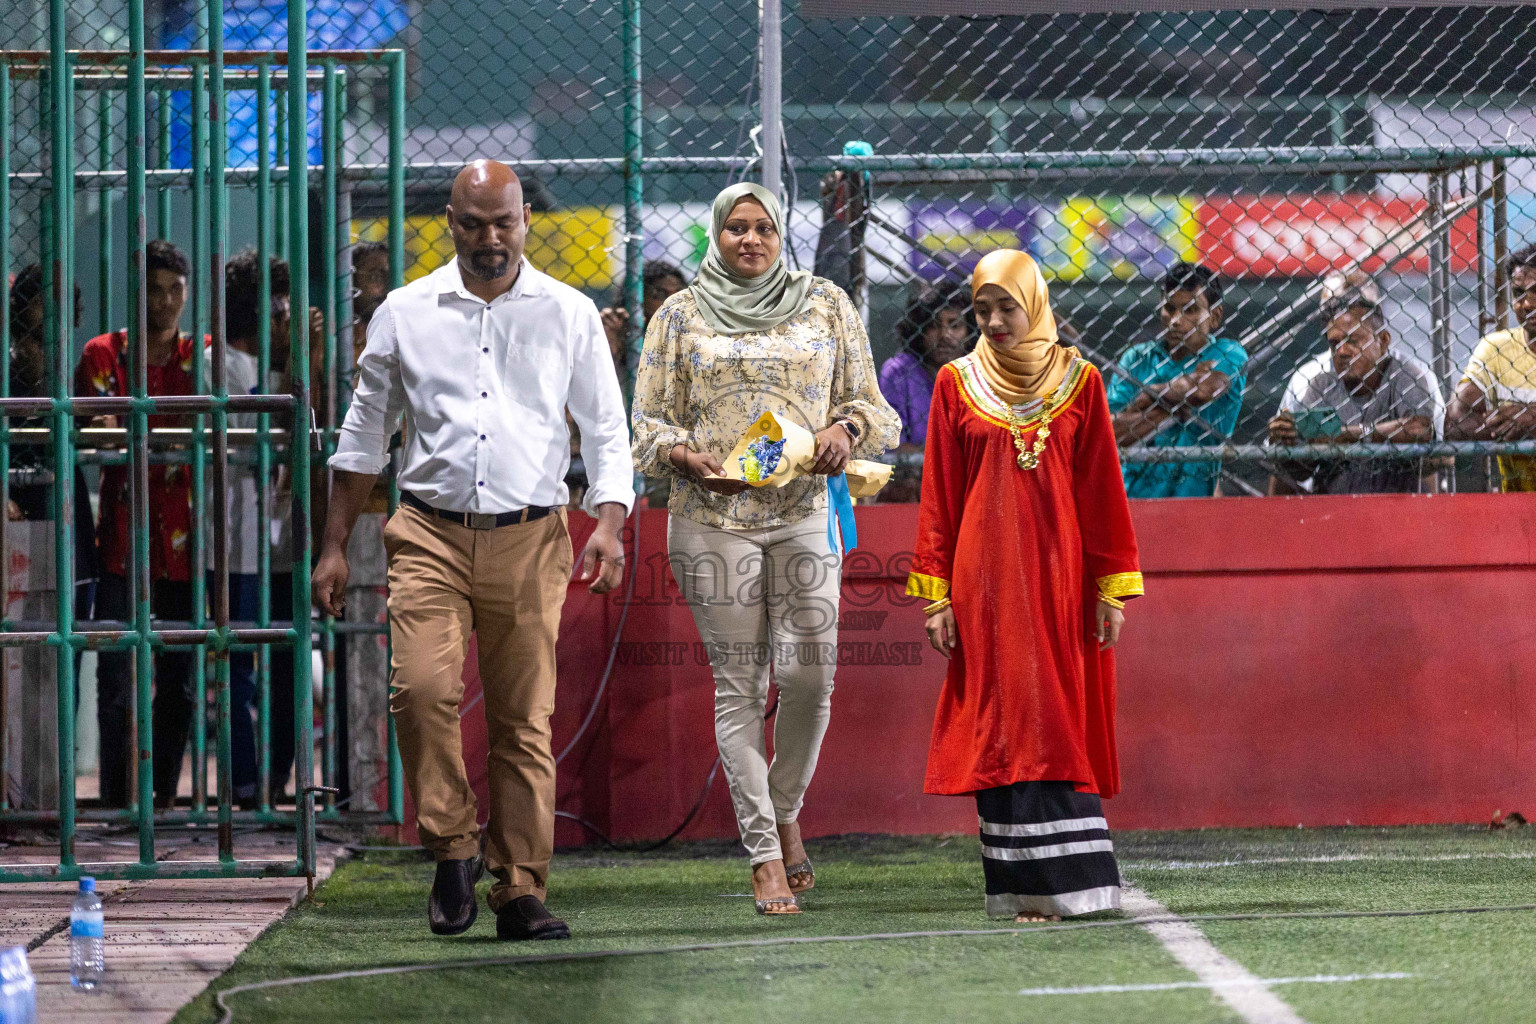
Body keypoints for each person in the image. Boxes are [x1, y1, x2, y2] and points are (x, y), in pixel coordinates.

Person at [312, 159, 631, 941]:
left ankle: (519, 889)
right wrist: (333, 547)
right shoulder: (404, 311)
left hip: (532, 536)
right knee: (421, 691)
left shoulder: (568, 312)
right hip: (426, 532)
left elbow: (607, 427)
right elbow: (364, 434)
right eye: (473, 224)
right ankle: (452, 844)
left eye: (504, 223)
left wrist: (612, 523)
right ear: (450, 224)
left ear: (525, 220)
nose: (490, 239)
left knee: (525, 721)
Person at [631, 182, 901, 916]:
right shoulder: (680, 315)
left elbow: (873, 408)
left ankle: (785, 808)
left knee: (812, 676)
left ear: (782, 235)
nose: (750, 240)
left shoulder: (825, 304)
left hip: (804, 511)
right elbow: (646, 426)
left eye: (763, 229)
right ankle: (763, 854)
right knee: (741, 686)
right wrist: (691, 461)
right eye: (736, 229)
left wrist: (844, 431)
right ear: (716, 235)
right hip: (712, 517)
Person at [910, 249, 1140, 922]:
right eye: (982, 310)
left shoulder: (1081, 380)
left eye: (1006, 306)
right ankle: (1021, 888)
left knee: (1056, 713)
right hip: (982, 583)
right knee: (1004, 715)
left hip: (1061, 578)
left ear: (1034, 301)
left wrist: (1111, 588)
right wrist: (937, 596)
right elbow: (940, 497)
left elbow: (1102, 491)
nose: (995, 320)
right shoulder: (956, 382)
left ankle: (1076, 884)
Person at [76, 240, 196, 809]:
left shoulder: (201, 355)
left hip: (189, 539)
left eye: (176, 289)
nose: (168, 300)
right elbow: (91, 431)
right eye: (156, 288)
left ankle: (163, 801)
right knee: (118, 675)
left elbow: (112, 428)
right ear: (136, 292)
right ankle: (123, 798)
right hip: (122, 535)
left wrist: (127, 432)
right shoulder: (104, 353)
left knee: (180, 677)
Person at [214, 249, 305, 809]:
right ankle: (245, 785)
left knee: (286, 661)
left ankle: (275, 782)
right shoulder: (220, 363)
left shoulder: (281, 366)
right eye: (277, 308)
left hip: (278, 534)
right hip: (233, 537)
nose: (285, 317)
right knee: (237, 665)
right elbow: (243, 443)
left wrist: (304, 356)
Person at [1267, 272, 1444, 495]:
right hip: (1334, 507)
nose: (1342, 351)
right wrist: (1287, 444)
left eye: (1352, 340)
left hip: (1398, 506)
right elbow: (1300, 470)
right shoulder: (1315, 380)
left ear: (1382, 340)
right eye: (1335, 342)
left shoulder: (1410, 373)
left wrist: (1349, 435)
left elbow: (1424, 434)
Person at [1108, 262, 1248, 497]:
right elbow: (1108, 432)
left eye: (1190, 310)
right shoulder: (1137, 358)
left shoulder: (1228, 352)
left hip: (1191, 502)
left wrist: (1146, 396)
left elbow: (1203, 391)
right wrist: (1179, 397)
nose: (1175, 320)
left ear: (1214, 316)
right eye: (1169, 308)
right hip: (1129, 500)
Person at [1445, 243, 1536, 490]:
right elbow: (1456, 424)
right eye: (1518, 293)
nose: (1526, 304)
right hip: (1518, 508)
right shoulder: (1496, 348)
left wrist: (1532, 418)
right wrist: (1517, 423)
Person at [877, 283, 970, 503]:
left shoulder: (979, 371)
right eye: (933, 326)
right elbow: (893, 448)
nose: (945, 335)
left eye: (955, 325)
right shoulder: (899, 371)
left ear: (969, 331)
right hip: (914, 483)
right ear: (918, 329)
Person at [599, 260, 686, 378]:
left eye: (679, 294)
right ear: (638, 297)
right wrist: (611, 346)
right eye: (659, 293)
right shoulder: (618, 330)